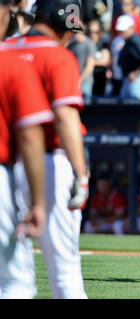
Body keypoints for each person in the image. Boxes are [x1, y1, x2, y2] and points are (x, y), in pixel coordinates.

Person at [7, 0, 90, 298]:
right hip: (48, 164)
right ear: (65, 25)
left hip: (4, 171)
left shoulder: (4, 51)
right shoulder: (59, 56)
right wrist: (81, 173)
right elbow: (66, 117)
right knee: (65, 269)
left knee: (11, 277)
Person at [0, 0, 53, 298]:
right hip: (2, 174)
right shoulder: (12, 61)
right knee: (14, 282)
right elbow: (32, 137)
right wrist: (37, 202)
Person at [68, 28, 97, 98]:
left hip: (85, 82)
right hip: (72, 82)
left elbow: (90, 65)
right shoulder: (71, 44)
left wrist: (79, 80)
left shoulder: (89, 44)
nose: (73, 35)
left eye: (75, 33)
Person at [87, 19, 111, 96]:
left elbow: (105, 61)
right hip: (86, 80)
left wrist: (90, 62)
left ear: (99, 32)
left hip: (99, 79)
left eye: (96, 32)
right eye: (90, 32)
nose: (92, 35)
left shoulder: (102, 44)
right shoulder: (85, 44)